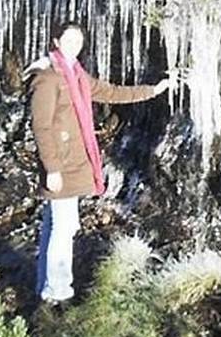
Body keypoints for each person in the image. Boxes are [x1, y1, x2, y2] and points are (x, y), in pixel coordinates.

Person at [26, 20, 177, 305]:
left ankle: (44, 287)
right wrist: (53, 169)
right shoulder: (47, 78)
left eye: (78, 40)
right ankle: (58, 293)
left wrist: (153, 90)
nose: (74, 45)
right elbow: (41, 127)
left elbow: (111, 92)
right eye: (68, 40)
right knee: (65, 227)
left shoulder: (76, 75)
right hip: (62, 165)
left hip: (72, 162)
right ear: (56, 42)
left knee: (53, 224)